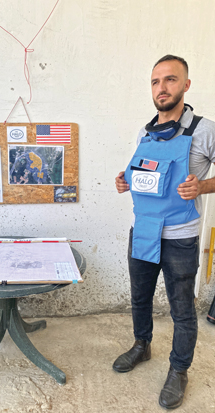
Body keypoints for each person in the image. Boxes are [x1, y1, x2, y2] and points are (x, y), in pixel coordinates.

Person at [114, 55, 215, 410]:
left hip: (180, 237)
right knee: (139, 299)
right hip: (142, 230)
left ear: (186, 85)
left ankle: (179, 369)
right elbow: (146, 173)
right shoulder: (145, 132)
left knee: (182, 310)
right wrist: (125, 181)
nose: (162, 88)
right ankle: (142, 345)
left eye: (170, 80)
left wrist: (201, 187)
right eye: (156, 82)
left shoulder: (205, 129)